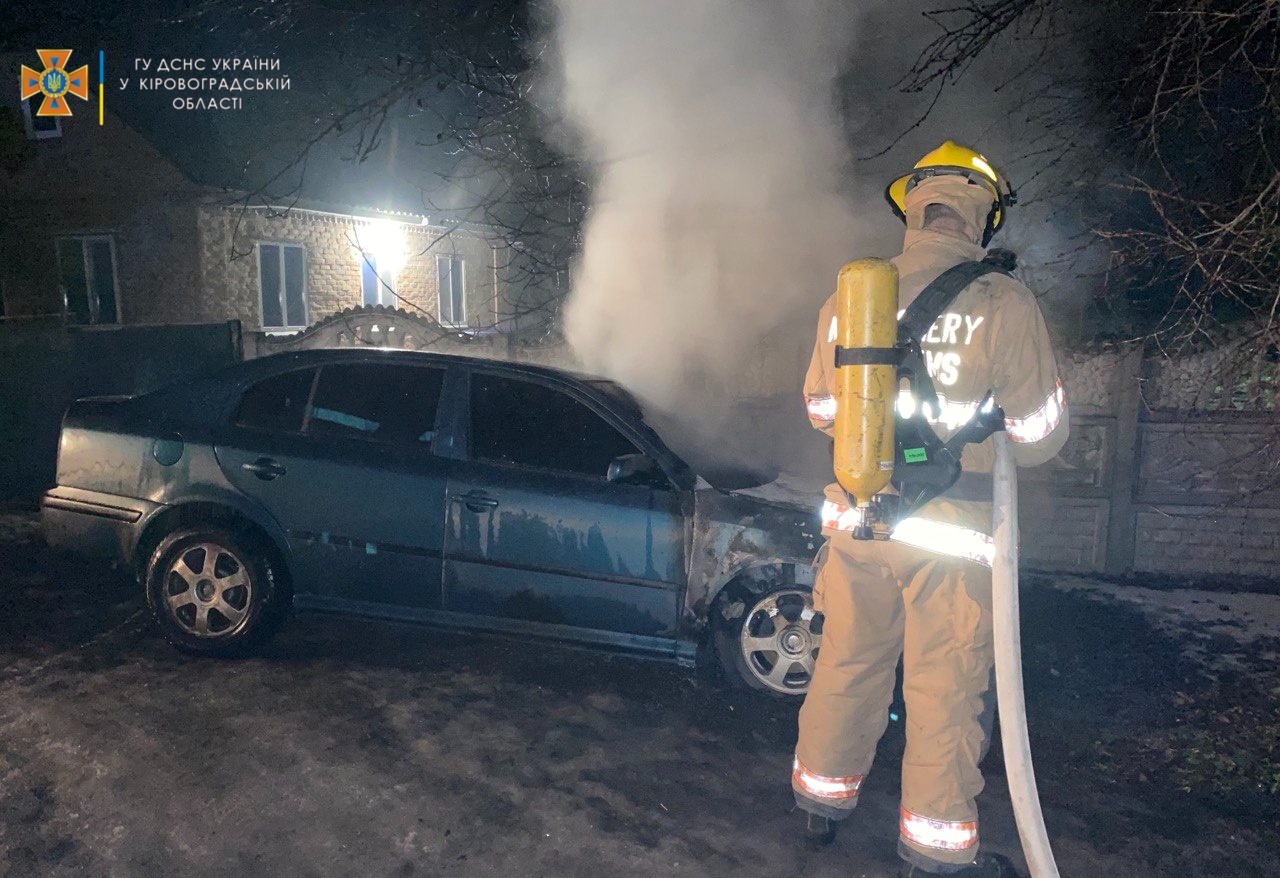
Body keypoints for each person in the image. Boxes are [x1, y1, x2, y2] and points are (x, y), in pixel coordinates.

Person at [794, 141, 1069, 877]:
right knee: (944, 693)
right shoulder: (1001, 300)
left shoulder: (848, 297)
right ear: (985, 215)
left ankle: (820, 806)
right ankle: (933, 851)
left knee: (847, 665)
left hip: (858, 521)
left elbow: (822, 409)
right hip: (952, 537)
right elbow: (1040, 436)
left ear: (911, 208)